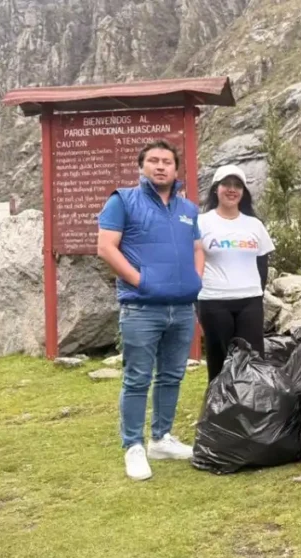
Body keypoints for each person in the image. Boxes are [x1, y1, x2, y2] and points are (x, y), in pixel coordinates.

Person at [97, 140, 203, 481]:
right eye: (153, 160)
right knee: (137, 378)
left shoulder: (188, 209)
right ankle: (133, 446)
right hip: (141, 307)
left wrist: (196, 279)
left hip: (182, 307)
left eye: (167, 161)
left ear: (176, 169)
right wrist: (139, 281)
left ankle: (161, 439)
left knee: (172, 375)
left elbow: (197, 248)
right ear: (141, 166)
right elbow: (106, 247)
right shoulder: (122, 200)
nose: (160, 166)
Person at [196, 165, 274, 383]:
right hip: (213, 301)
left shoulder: (254, 225)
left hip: (250, 301)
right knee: (219, 362)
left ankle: (252, 402)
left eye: (237, 185)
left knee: (253, 361)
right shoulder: (201, 222)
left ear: (243, 192)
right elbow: (193, 261)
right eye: (226, 184)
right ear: (216, 189)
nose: (232, 189)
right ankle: (218, 403)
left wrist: (256, 292)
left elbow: (262, 263)